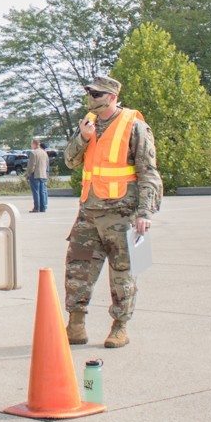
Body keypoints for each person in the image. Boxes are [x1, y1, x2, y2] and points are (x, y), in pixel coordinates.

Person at [61, 74, 162, 348]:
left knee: (123, 274)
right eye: (90, 93)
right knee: (77, 270)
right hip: (89, 214)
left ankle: (120, 327)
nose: (91, 98)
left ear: (112, 97)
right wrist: (83, 137)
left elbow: (148, 173)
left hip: (122, 215)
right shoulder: (88, 124)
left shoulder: (135, 126)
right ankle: (76, 326)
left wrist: (144, 213)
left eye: (96, 94)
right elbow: (70, 161)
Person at [25, 138, 51, 212]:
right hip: (43, 174)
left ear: (34, 144)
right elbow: (46, 164)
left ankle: (37, 207)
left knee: (36, 192)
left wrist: (28, 174)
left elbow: (32, 165)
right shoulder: (44, 153)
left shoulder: (33, 153)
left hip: (35, 174)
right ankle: (43, 207)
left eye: (31, 144)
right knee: (42, 191)